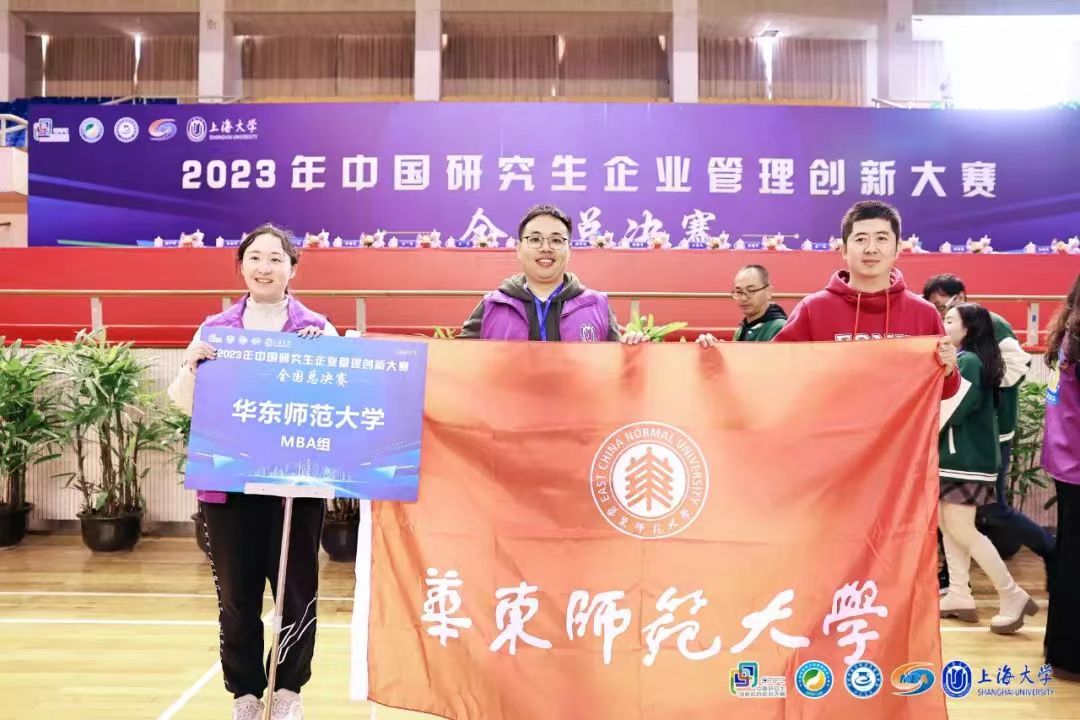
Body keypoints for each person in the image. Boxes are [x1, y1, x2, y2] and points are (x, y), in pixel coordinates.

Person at [168, 223, 336, 720]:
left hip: (295, 486)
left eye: (276, 258)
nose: (265, 268)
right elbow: (186, 405)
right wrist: (192, 366)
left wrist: (326, 361)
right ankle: (245, 694)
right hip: (229, 485)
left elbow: (338, 405)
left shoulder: (317, 328)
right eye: (255, 258)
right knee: (237, 596)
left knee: (296, 592)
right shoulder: (215, 329)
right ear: (241, 266)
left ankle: (288, 692)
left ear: (293, 268)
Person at [702, 201, 960, 397]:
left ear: (897, 248)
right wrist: (720, 357)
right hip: (830, 449)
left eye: (882, 238)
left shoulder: (923, 313)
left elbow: (944, 391)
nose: (871, 248)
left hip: (899, 451)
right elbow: (773, 370)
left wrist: (948, 370)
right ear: (844, 250)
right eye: (860, 239)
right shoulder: (814, 309)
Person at [923, 274, 1054, 587]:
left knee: (991, 510)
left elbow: (1016, 367)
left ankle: (1049, 549)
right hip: (959, 440)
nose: (940, 313)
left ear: (960, 297)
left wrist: (983, 396)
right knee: (951, 514)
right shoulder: (955, 343)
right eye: (935, 308)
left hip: (988, 435)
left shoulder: (990, 326)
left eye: (943, 306)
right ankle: (956, 582)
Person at [937, 303, 1037, 634]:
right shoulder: (970, 359)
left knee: (961, 528)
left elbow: (953, 410)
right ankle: (959, 594)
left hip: (965, 461)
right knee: (949, 526)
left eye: (950, 320)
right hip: (958, 459)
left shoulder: (968, 361)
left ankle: (1012, 595)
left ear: (968, 329)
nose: (943, 325)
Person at [460, 203, 644, 343]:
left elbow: (616, 366)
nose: (546, 248)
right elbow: (461, 360)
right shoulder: (492, 305)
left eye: (556, 240)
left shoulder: (596, 305)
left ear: (569, 250)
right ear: (518, 249)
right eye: (535, 239)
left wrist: (633, 348)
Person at [1044, 273, 1080, 680]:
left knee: (1069, 556)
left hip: (1065, 460)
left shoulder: (1069, 333)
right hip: (1076, 463)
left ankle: (1063, 651)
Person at [697, 265, 786, 344]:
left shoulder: (780, 328)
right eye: (739, 292)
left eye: (751, 290)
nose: (743, 298)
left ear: (768, 292)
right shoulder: (741, 331)